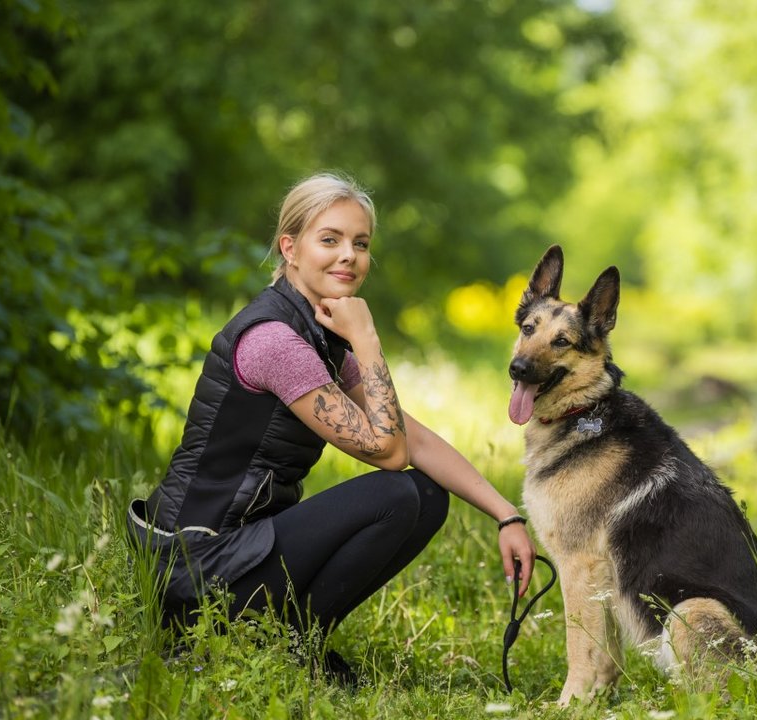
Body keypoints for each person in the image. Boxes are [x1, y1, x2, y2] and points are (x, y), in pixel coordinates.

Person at [128, 172, 535, 682]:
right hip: (197, 568)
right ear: (290, 248)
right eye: (330, 239)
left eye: (360, 244)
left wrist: (506, 516)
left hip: (237, 553)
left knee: (427, 494)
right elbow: (389, 453)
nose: (349, 255)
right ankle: (285, 645)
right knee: (398, 493)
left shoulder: (314, 333)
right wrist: (366, 340)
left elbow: (415, 440)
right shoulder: (275, 342)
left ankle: (295, 643)